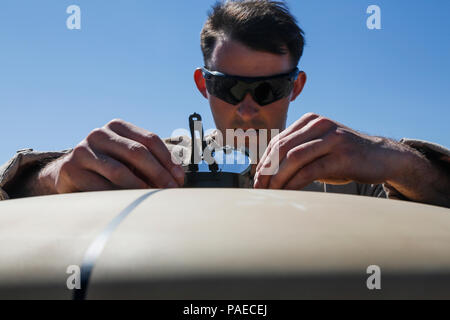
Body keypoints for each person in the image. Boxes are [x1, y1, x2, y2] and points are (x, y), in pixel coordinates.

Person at [0, 0, 449, 207]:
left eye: (269, 89)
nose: (248, 108)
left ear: (295, 87)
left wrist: (401, 163)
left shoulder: (348, 172)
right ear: (203, 84)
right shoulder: (155, 165)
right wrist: (51, 178)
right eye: (230, 88)